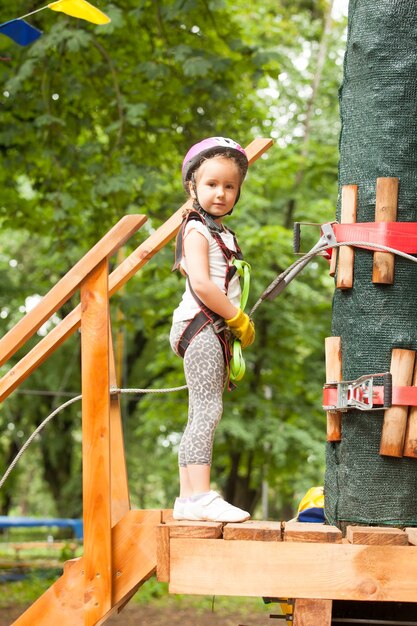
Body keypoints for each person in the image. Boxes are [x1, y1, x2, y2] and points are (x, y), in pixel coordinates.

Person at [169, 136, 255, 522]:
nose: (220, 193)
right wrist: (237, 318)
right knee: (208, 410)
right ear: (193, 186)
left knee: (198, 412)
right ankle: (201, 495)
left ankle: (188, 498)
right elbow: (202, 284)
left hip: (211, 328)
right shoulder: (197, 230)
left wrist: (233, 323)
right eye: (211, 184)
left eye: (229, 186)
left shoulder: (221, 233)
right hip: (203, 326)